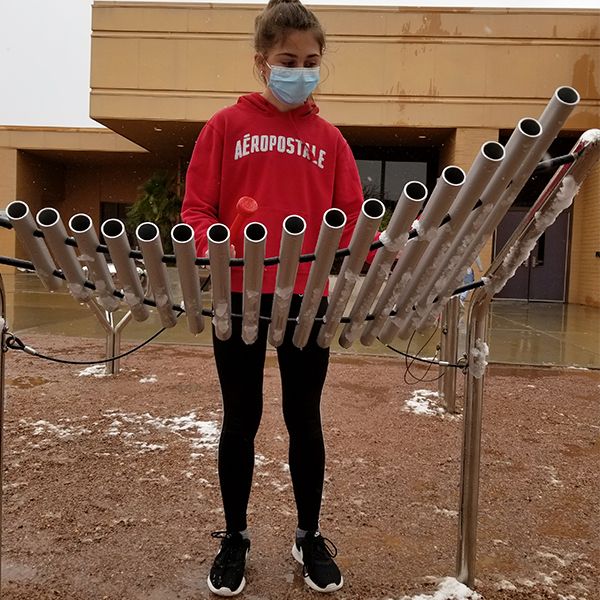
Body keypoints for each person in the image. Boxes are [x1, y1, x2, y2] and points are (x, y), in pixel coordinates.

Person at [181, 0, 367, 595]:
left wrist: (392, 255)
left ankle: (308, 534)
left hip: (309, 300)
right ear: (263, 62)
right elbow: (196, 212)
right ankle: (235, 536)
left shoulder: (330, 139)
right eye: (288, 59)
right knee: (241, 420)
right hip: (238, 298)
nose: (301, 71)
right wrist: (228, 248)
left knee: (303, 420)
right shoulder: (225, 128)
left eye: (311, 61)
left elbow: (357, 219)